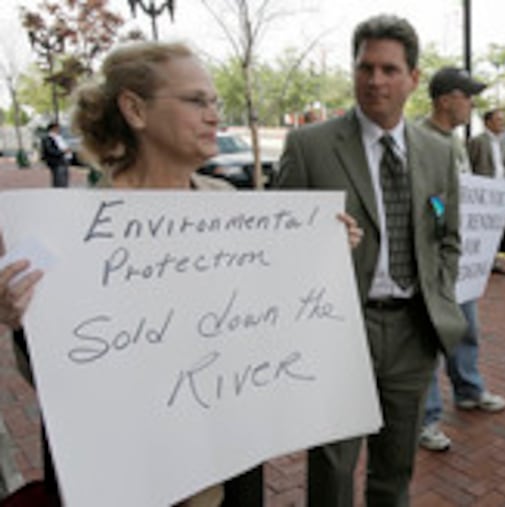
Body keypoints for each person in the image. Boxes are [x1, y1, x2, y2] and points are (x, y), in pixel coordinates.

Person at [0, 41, 368, 507]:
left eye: (214, 101)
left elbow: (264, 318)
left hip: (226, 461)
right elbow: (54, 377)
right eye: (196, 101)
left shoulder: (229, 203)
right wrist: (21, 319)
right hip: (126, 472)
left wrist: (319, 256)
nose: (214, 115)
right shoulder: (68, 231)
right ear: (135, 109)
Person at [276, 14, 468, 507]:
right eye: (365, 68)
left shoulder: (438, 150)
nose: (375, 81)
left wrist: (438, 293)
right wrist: (313, 243)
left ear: (413, 79)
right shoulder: (309, 146)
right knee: (333, 469)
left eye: (388, 69)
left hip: (412, 330)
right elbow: (275, 244)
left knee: (395, 467)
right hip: (340, 328)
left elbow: (447, 236)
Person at [417, 67, 505, 452]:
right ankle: (426, 419)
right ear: (445, 99)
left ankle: (469, 390)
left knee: (466, 326)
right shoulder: (419, 139)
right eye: (466, 96)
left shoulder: (455, 141)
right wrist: (443, 212)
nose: (471, 104)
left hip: (462, 256)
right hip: (433, 258)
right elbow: (427, 198)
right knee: (429, 337)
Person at [468, 108, 505, 275]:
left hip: (500, 192)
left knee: (496, 228)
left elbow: (504, 166)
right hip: (483, 193)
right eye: (498, 120)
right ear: (488, 122)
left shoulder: (502, 142)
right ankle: (480, 261)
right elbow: (469, 166)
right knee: (481, 229)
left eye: (503, 120)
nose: (502, 123)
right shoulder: (477, 141)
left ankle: (492, 260)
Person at [40, 122, 71, 188]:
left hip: (63, 160)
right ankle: (59, 192)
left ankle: (62, 191)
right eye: (58, 128)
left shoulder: (58, 137)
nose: (59, 129)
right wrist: (63, 152)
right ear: (53, 129)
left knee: (64, 178)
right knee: (59, 179)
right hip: (56, 161)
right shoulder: (48, 138)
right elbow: (50, 150)